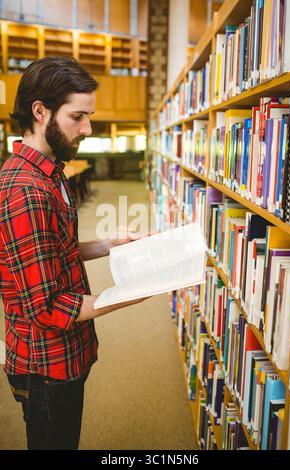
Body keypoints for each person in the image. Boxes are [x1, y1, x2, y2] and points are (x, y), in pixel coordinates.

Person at [0, 56, 148, 450]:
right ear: (40, 111)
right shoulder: (26, 190)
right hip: (45, 366)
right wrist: (128, 294)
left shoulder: (50, 170)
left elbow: (51, 252)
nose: (88, 127)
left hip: (64, 354)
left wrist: (107, 244)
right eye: (78, 116)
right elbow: (47, 306)